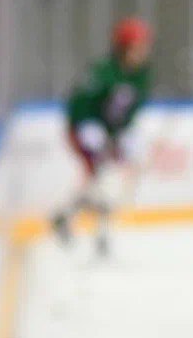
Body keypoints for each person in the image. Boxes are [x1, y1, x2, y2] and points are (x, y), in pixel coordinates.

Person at [51, 17, 154, 255]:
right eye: (138, 46)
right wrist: (90, 129)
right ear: (124, 48)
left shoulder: (141, 76)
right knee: (102, 179)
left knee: (109, 181)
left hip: (111, 134)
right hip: (86, 131)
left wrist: (120, 134)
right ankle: (97, 231)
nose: (143, 52)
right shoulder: (103, 72)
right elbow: (80, 105)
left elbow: (130, 111)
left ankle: (70, 218)